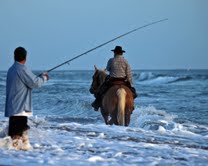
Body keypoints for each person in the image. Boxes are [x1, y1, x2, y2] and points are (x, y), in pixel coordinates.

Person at [5, 47, 49, 148]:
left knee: (14, 136)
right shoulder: (22, 69)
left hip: (13, 108)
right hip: (20, 108)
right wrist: (44, 77)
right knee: (19, 135)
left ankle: (14, 156)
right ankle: (20, 156)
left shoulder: (11, 70)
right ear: (25, 58)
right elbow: (35, 83)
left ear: (14, 57)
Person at [91, 45, 137, 111]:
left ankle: (96, 104)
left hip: (113, 80)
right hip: (123, 80)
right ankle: (131, 106)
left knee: (101, 91)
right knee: (133, 93)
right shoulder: (126, 61)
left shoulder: (111, 60)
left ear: (115, 53)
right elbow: (129, 73)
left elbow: (108, 69)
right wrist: (131, 84)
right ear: (122, 53)